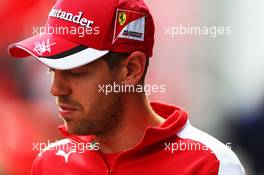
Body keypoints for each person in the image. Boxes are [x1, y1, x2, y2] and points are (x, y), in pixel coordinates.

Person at [8, 0, 246, 174]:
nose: (56, 89)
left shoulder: (210, 164)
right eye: (52, 71)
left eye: (76, 73)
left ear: (131, 69)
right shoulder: (50, 162)